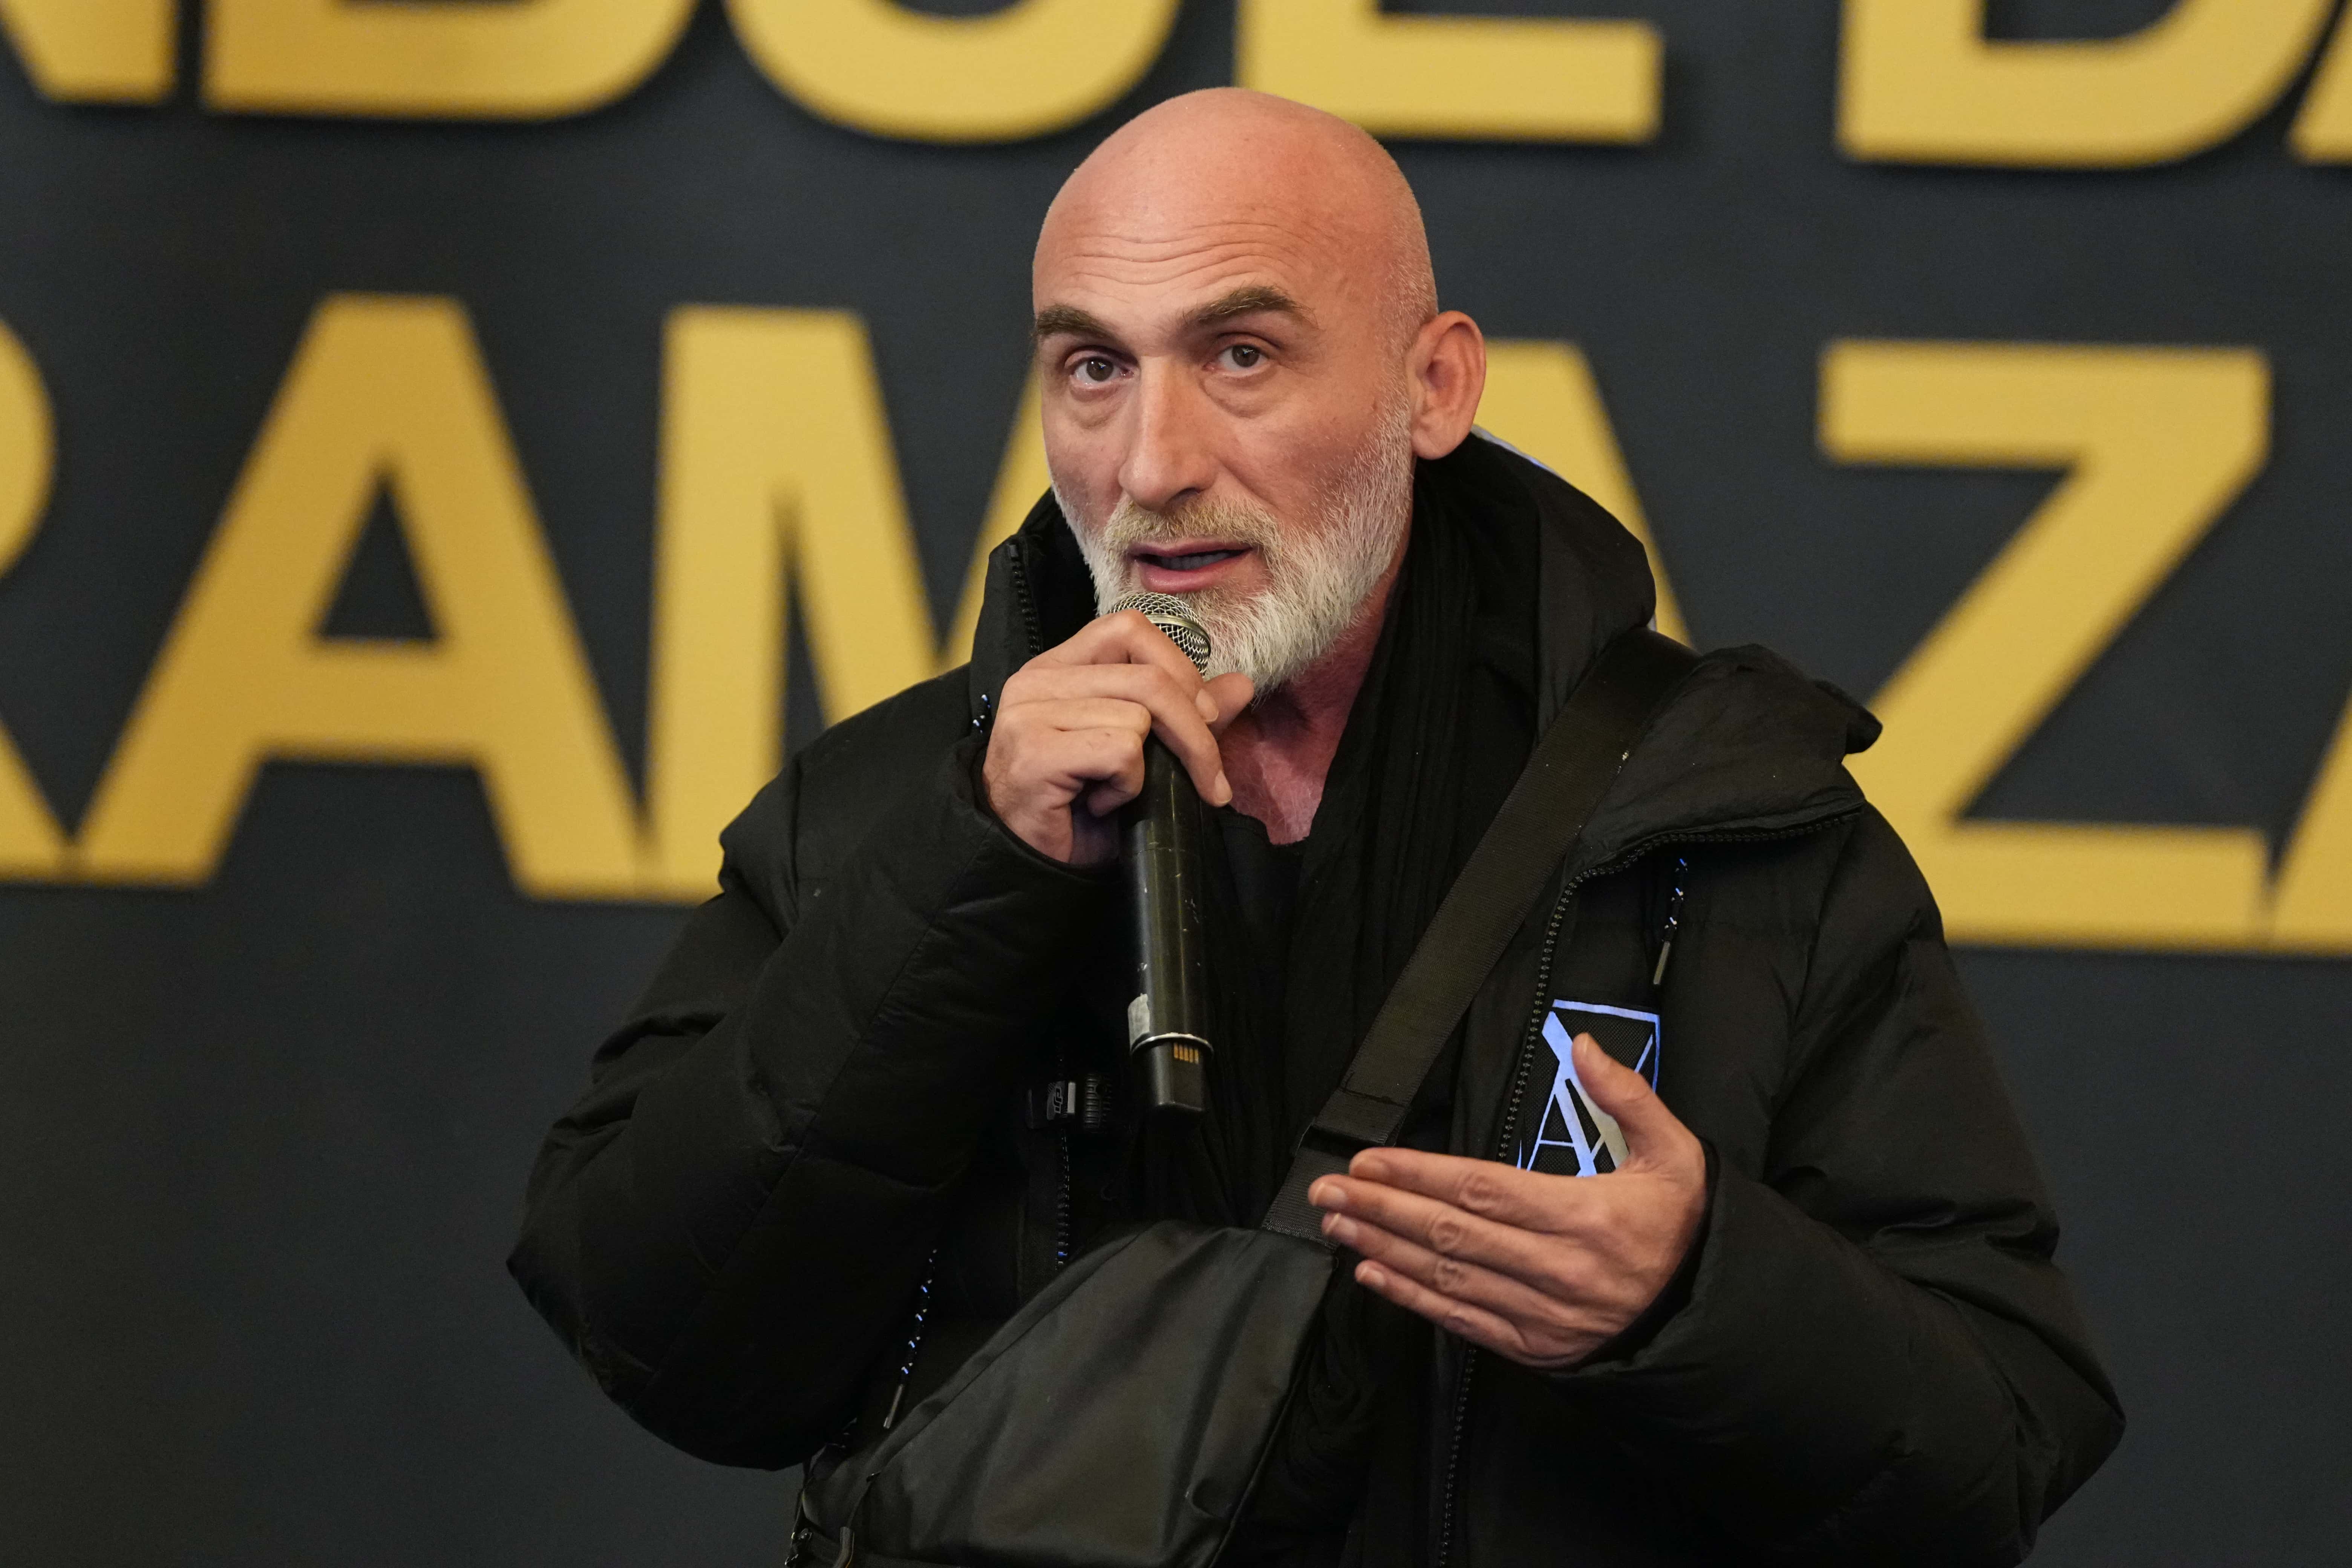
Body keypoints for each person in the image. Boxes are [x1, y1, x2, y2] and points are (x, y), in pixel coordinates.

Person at [511, 89, 2121, 1565]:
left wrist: (1697, 1294)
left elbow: (2000, 1438)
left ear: (1435, 386)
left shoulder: (1724, 818)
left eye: (1240, 356)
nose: (1152, 464)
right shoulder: (894, 808)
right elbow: (657, 1335)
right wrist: (968, 874)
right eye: (1094, 367)